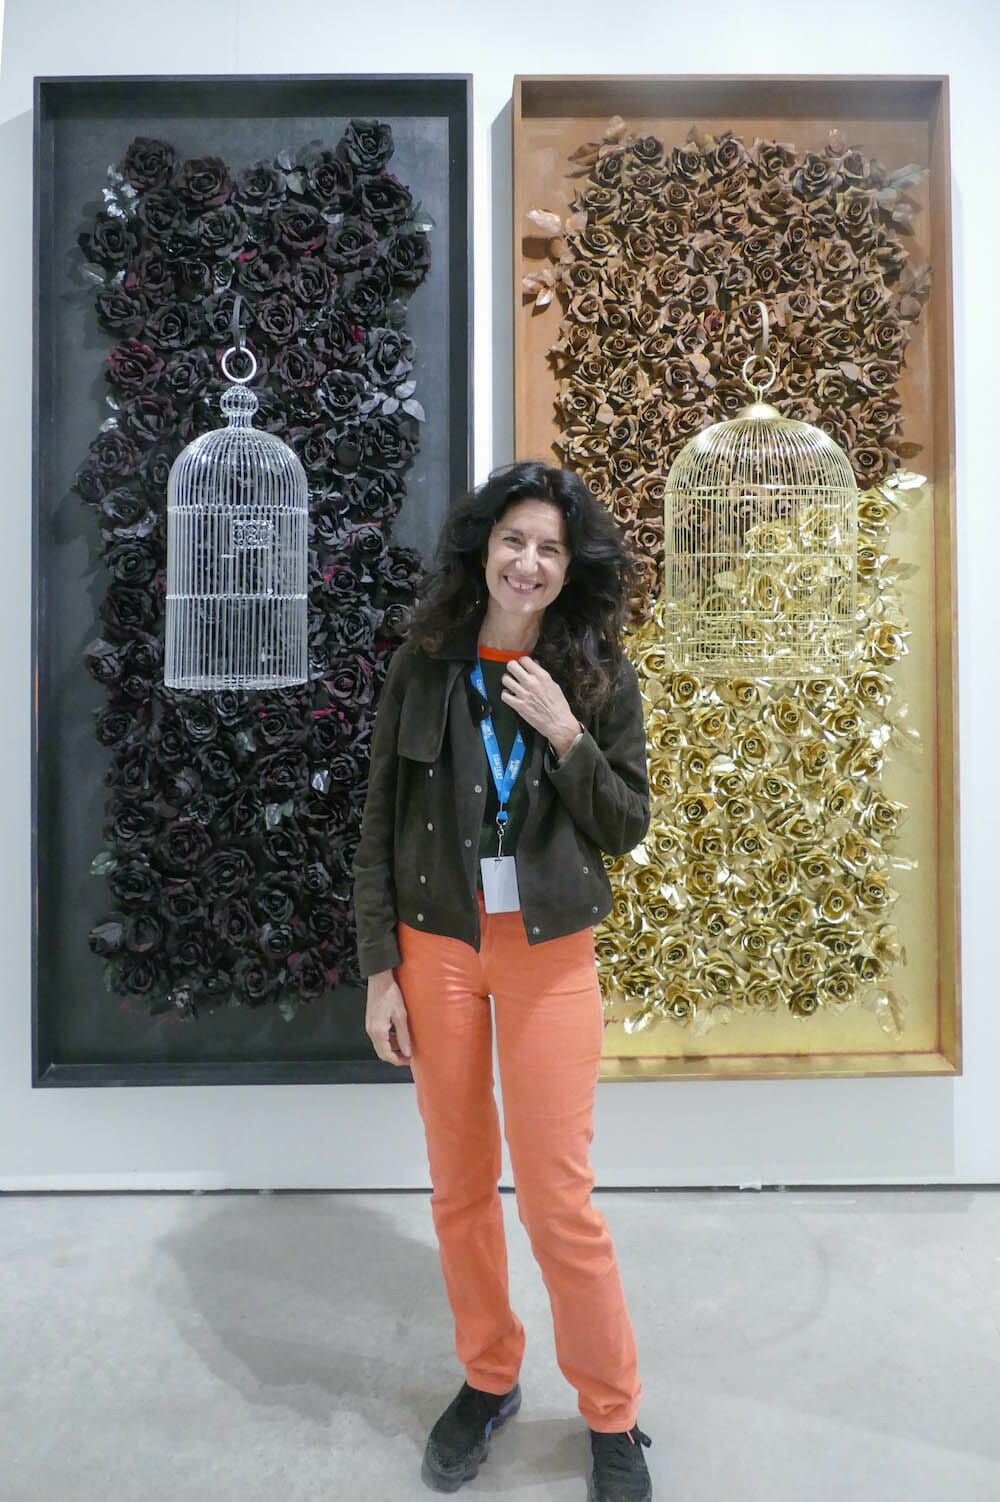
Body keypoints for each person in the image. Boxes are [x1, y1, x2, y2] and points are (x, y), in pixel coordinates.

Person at [353, 461, 653, 1501]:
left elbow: (626, 824)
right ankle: (489, 1376)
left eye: (550, 548)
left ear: (571, 569)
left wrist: (566, 732)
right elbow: (379, 823)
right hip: (434, 947)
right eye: (514, 539)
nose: (529, 562)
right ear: (483, 549)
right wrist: (379, 969)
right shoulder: (425, 663)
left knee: (559, 1200)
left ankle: (611, 1412)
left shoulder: (599, 675)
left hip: (548, 954)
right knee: (459, 1186)